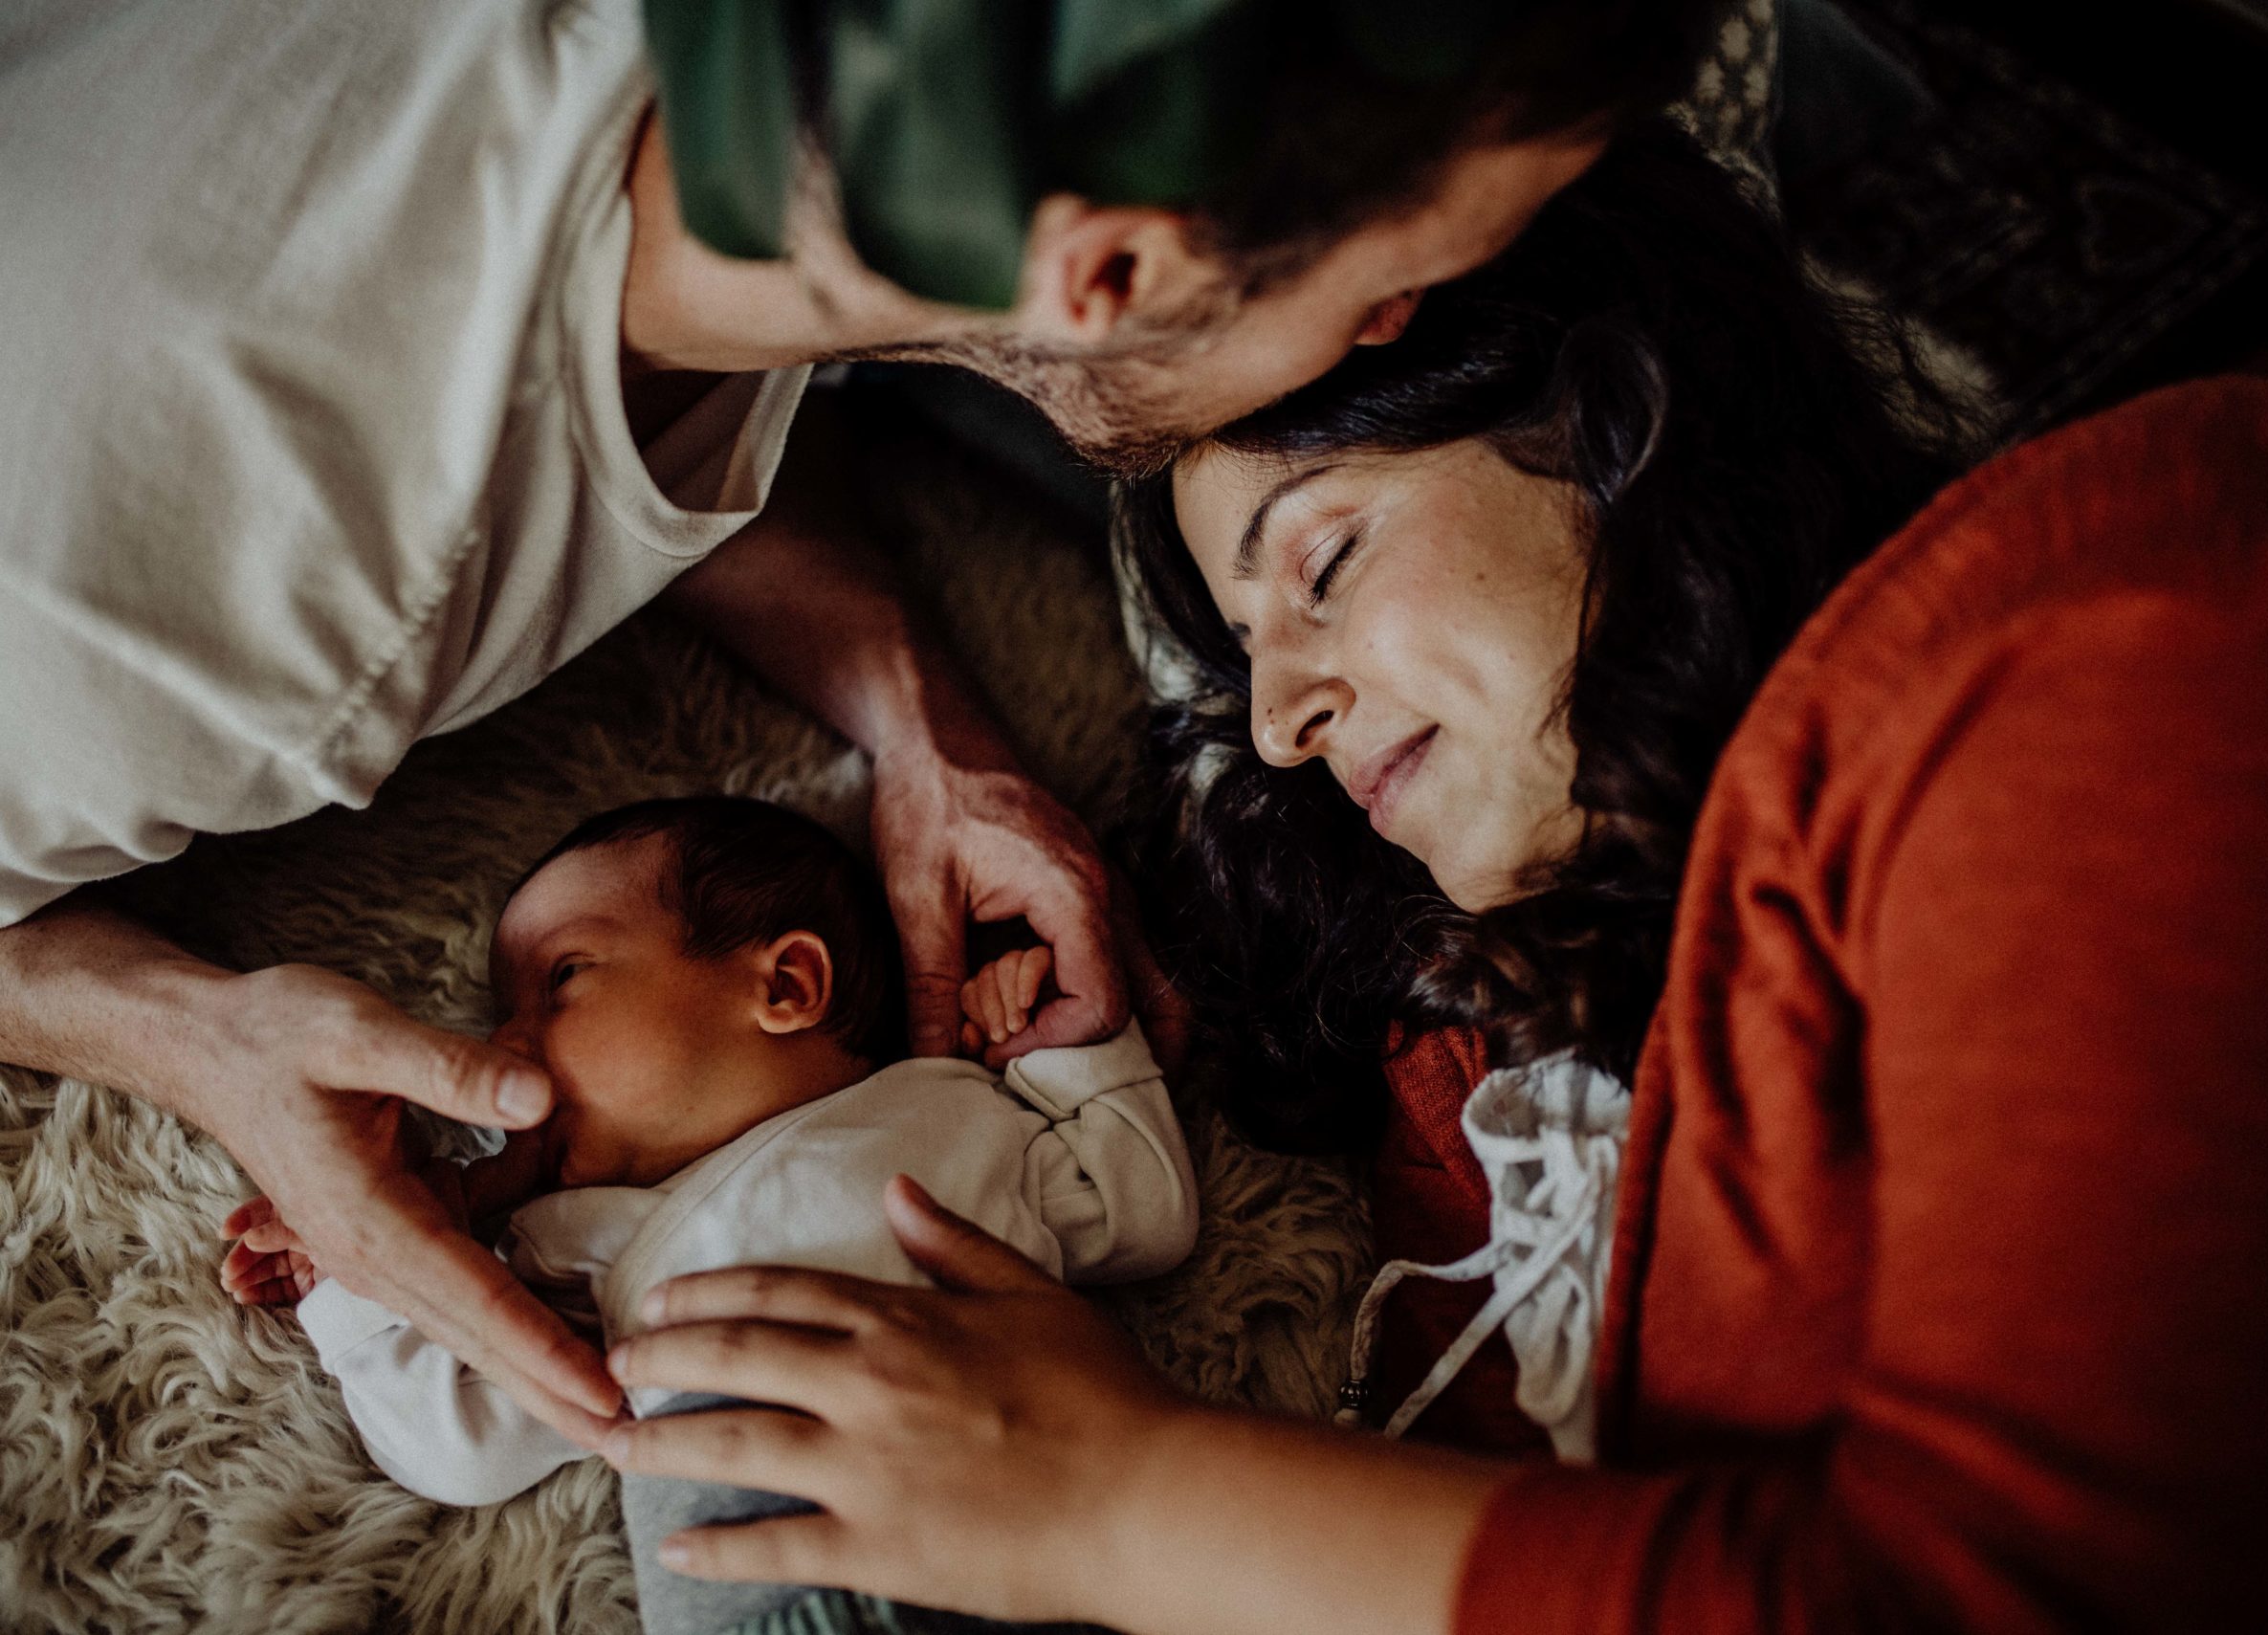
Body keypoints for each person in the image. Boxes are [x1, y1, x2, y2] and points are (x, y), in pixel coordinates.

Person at [587, 125, 2268, 1631]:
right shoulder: (1471, 1045)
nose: (1290, 716)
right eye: (1246, 655)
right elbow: (690, 420)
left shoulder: (2148, 597)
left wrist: (1113, 1493)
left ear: (1612, 410)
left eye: (1321, 564)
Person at [0, 0, 1721, 1452]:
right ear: (1110, 265)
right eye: (1391, 286)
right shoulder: (194, 610)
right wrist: (203, 1043)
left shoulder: (766, 180)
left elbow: (643, 439)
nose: (1397, 329)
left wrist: (921, 722)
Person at [218, 795, 1192, 1635]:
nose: (509, 1043)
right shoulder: (573, 1240)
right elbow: (465, 1444)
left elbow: (1144, 1210)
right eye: (505, 1013)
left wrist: (1059, 1035)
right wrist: (361, 1271)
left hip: (1048, 1552)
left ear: (783, 984)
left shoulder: (956, 1108)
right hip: (776, 1603)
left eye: (560, 978)